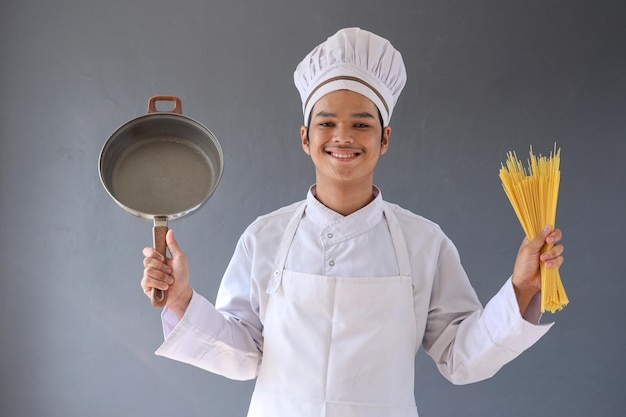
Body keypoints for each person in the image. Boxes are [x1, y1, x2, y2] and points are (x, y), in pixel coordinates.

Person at [141, 27, 564, 417]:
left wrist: (523, 286)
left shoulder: (424, 242)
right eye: (327, 123)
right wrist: (181, 299)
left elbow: (461, 357)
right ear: (306, 138)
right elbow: (244, 356)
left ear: (385, 138)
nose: (343, 136)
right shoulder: (264, 237)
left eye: (362, 124)